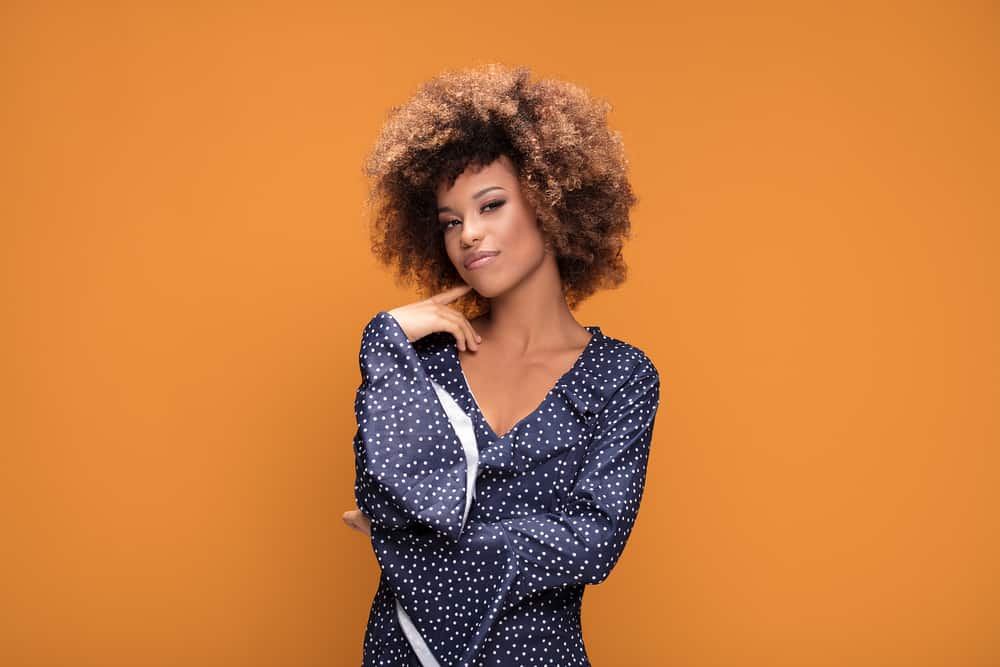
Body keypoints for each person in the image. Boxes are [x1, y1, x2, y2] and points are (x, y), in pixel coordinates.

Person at [343, 63, 662, 666]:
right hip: (406, 650)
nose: (468, 235)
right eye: (452, 221)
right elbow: (383, 501)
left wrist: (417, 547)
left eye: (491, 205)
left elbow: (590, 543)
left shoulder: (622, 377)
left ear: (549, 202)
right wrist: (383, 343)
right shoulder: (422, 361)